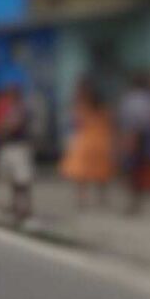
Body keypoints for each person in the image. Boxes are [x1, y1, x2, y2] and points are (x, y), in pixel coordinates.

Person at [60, 79, 116, 207]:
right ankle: (101, 199)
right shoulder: (104, 109)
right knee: (101, 172)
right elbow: (111, 125)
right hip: (101, 142)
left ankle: (82, 200)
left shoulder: (82, 108)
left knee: (82, 173)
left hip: (85, 142)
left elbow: (75, 124)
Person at [119, 71, 150, 215]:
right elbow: (149, 120)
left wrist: (128, 138)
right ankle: (136, 202)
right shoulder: (147, 99)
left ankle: (134, 202)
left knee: (132, 170)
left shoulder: (132, 99)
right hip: (142, 135)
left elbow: (130, 120)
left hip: (134, 135)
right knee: (138, 169)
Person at [0, 84, 34, 224]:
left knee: (23, 180)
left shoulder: (21, 109)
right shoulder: (7, 109)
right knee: (13, 180)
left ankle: (26, 208)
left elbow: (13, 125)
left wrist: (4, 127)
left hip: (19, 147)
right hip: (8, 146)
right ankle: (16, 206)